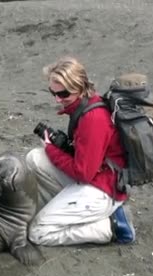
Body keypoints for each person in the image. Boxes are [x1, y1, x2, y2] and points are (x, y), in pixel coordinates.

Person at [26, 55, 135, 246]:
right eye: (54, 93)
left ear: (79, 87)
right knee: (35, 158)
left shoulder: (93, 119)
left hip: (104, 190)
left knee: (37, 233)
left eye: (64, 94)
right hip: (97, 178)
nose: (58, 100)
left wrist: (52, 149)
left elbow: (83, 173)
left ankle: (106, 227)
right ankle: (60, 213)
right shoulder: (85, 106)